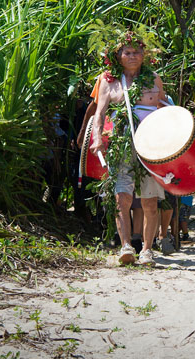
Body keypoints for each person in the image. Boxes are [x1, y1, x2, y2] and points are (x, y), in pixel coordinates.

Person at [76, 27, 168, 266]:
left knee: (149, 201)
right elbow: (99, 113)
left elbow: (165, 109)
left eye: (137, 52)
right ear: (118, 55)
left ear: (144, 55)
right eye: (127, 52)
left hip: (150, 147)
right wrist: (96, 138)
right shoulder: (108, 81)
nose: (133, 56)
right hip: (121, 145)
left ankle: (147, 250)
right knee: (121, 198)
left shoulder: (154, 78)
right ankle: (126, 246)